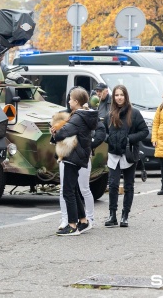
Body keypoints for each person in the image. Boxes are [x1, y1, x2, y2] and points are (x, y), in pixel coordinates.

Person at [57, 87, 106, 230]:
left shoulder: (80, 115)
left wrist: (90, 146)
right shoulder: (76, 114)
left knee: (76, 189)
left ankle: (74, 224)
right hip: (69, 154)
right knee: (71, 189)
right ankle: (77, 220)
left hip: (75, 156)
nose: (68, 101)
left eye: (71, 99)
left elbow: (66, 131)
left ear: (76, 101)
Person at [103, 85, 149, 228]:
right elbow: (102, 131)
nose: (119, 98)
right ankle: (112, 215)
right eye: (116, 95)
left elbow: (144, 131)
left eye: (121, 95)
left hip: (129, 154)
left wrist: (129, 138)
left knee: (129, 186)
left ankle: (125, 215)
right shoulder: (109, 115)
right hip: (113, 154)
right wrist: (107, 138)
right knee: (113, 185)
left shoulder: (134, 113)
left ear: (126, 96)